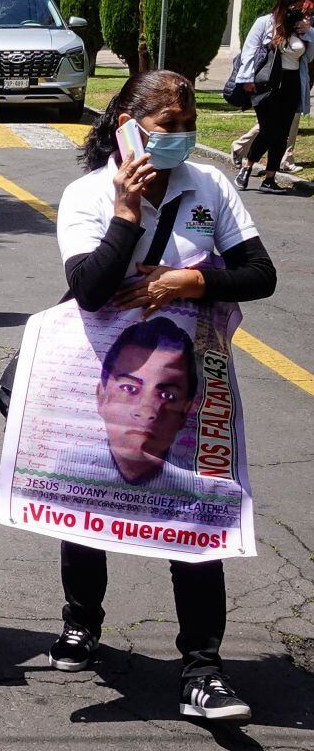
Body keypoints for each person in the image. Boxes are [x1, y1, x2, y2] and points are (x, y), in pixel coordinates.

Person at [48, 70, 276, 722]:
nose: (180, 137)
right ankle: (81, 621)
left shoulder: (211, 187)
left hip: (185, 383)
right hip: (101, 372)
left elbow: (259, 274)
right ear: (127, 127)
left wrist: (187, 281)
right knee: (89, 498)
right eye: (166, 126)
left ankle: (203, 669)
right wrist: (126, 210)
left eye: (188, 126)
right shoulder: (87, 195)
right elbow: (90, 288)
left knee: (194, 511)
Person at [94, 317, 199, 486]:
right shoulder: (58, 470)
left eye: (167, 396)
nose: (147, 412)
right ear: (101, 396)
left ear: (185, 411)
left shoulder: (203, 489)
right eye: (129, 389)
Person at [232, 0, 310, 191]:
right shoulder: (266, 22)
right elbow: (249, 50)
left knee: (282, 133)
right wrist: (247, 78)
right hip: (267, 83)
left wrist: (308, 31)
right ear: (284, 4)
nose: (296, 11)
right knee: (268, 130)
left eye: (300, 7)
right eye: (293, 7)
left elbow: (309, 56)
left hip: (292, 83)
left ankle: (269, 178)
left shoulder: (301, 27)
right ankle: (247, 168)